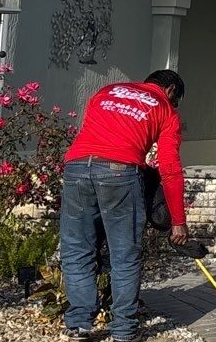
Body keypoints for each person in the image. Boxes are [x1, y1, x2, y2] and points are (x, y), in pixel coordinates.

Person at [60, 70, 189, 341]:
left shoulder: (106, 92)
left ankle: (79, 324)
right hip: (119, 170)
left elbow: (98, 134)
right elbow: (170, 168)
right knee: (124, 254)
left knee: (77, 249)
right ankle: (123, 330)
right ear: (170, 92)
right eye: (175, 101)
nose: (174, 106)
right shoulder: (165, 109)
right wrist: (178, 221)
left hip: (77, 167)